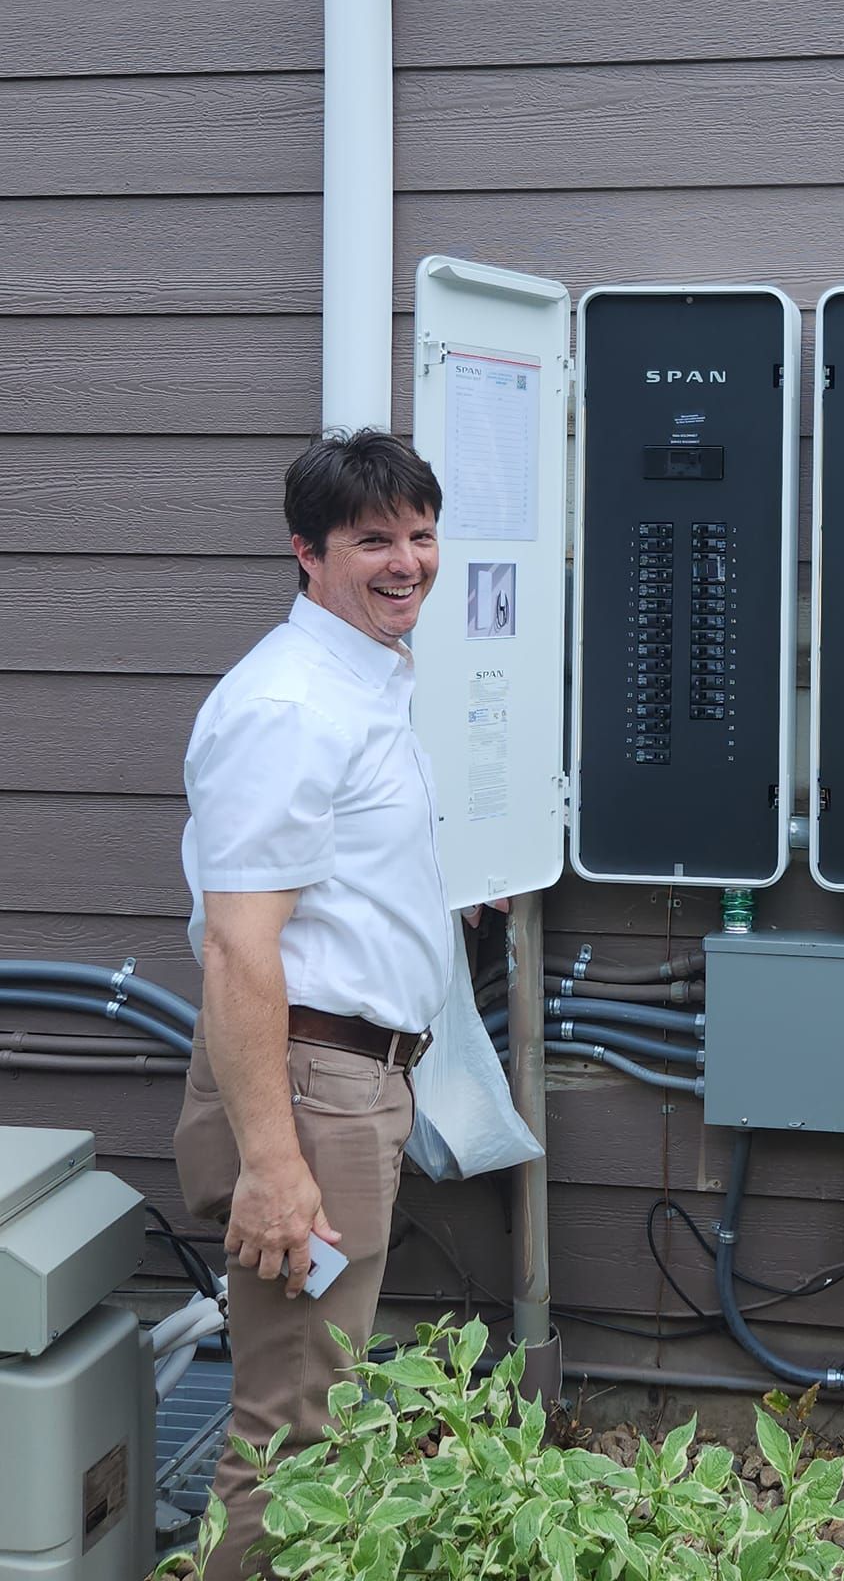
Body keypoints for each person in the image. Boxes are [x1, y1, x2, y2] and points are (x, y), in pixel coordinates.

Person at [173, 430, 453, 1579]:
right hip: (309, 1094)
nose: (407, 562)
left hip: (347, 1083)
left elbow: (321, 880)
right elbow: (241, 945)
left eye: (421, 533)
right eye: (372, 539)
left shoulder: (360, 684)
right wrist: (275, 1164)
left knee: (318, 1406)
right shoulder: (291, 704)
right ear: (306, 552)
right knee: (290, 1426)